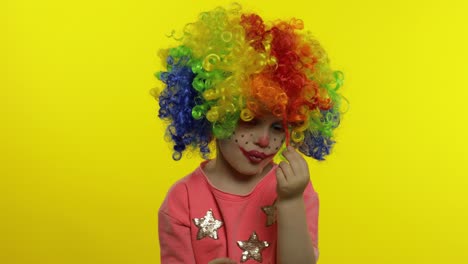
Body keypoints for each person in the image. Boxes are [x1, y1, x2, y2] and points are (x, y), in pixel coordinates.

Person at [152, 4, 344, 264]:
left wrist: (289, 202)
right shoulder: (181, 200)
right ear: (215, 113)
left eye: (278, 127)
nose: (264, 140)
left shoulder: (294, 189)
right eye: (249, 120)